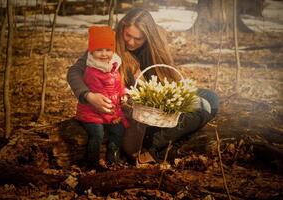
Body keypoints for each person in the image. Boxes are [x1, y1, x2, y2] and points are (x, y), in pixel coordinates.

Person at [67, 8, 219, 163]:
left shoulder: (153, 49)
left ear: (147, 37)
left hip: (156, 106)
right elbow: (74, 71)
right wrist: (89, 96)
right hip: (135, 114)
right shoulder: (107, 47)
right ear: (122, 28)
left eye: (138, 39)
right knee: (202, 111)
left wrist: (174, 95)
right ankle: (152, 145)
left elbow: (168, 80)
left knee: (211, 98)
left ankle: (159, 147)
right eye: (128, 36)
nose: (131, 42)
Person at [75, 26, 128, 169]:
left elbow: (117, 85)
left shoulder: (112, 66)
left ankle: (113, 158)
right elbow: (101, 98)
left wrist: (123, 94)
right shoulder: (92, 71)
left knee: (118, 130)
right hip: (92, 112)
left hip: (109, 110)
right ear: (91, 51)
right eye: (99, 50)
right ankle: (92, 163)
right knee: (97, 134)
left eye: (108, 50)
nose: (104, 54)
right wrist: (112, 117)